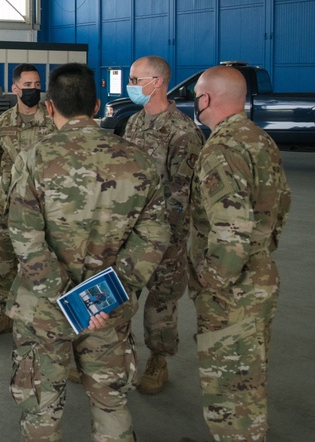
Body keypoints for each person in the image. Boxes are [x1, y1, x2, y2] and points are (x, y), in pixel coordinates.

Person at [5, 63, 169, 442]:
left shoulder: (33, 160)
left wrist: (66, 298)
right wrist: (103, 298)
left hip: (44, 311)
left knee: (41, 407)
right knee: (111, 403)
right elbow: (155, 236)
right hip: (107, 312)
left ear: (49, 107)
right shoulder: (139, 162)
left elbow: (25, 237)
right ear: (96, 105)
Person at [182, 66, 291, 442]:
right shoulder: (259, 139)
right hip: (260, 275)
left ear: (206, 99)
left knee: (231, 394)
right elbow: (280, 206)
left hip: (233, 291)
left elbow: (231, 233)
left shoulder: (222, 149)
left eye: (197, 94)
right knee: (248, 380)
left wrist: (209, 283)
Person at [122, 56, 204, 395]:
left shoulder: (183, 132)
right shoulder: (133, 124)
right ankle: (114, 358)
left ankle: (158, 360)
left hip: (164, 237)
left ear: (157, 82)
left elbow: (181, 196)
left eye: (135, 79)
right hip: (129, 232)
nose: (130, 84)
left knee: (161, 302)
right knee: (120, 298)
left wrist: (157, 238)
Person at [0, 63, 57, 338]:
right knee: (5, 257)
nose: (33, 90)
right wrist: (9, 175)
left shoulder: (53, 121)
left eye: (37, 85)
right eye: (28, 85)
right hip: (9, 203)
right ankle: (5, 314)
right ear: (15, 89)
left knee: (44, 259)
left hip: (45, 205)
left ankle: (44, 316)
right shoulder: (3, 123)